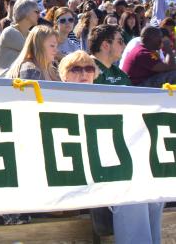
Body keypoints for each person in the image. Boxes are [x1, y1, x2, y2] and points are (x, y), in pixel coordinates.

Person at [59, 50, 164, 244]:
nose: (84, 74)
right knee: (133, 196)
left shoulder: (105, 101)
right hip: (84, 174)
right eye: (76, 69)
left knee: (154, 193)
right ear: (64, 75)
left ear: (95, 73)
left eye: (89, 68)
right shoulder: (53, 103)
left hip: (112, 167)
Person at [0, 0, 40, 77]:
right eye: (36, 12)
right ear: (26, 13)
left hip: (16, 81)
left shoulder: (30, 34)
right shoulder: (10, 32)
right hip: (0, 81)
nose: (39, 15)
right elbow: (36, 53)